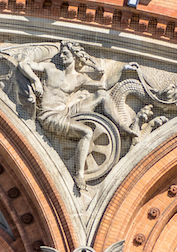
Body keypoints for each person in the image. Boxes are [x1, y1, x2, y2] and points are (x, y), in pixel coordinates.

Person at [15, 41, 134, 188]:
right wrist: (35, 81)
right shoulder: (50, 68)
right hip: (50, 115)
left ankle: (121, 126)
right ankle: (79, 174)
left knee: (102, 95)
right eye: (61, 53)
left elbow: (104, 85)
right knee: (87, 132)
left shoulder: (80, 78)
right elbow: (22, 65)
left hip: (66, 111)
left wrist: (123, 70)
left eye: (66, 53)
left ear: (75, 57)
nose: (62, 56)